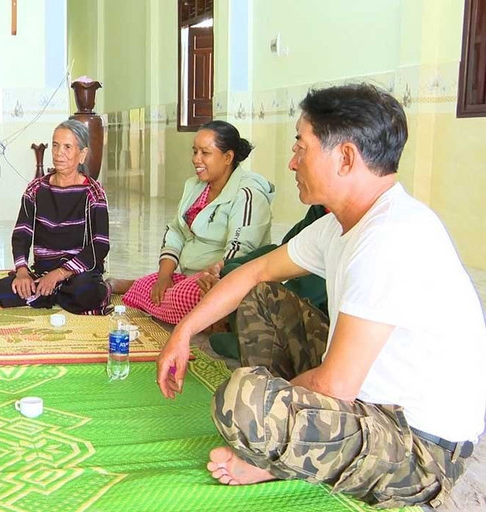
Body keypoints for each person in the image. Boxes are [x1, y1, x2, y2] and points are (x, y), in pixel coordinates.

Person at [156, 83, 486, 508]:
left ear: (345, 157)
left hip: (420, 449)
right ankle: (284, 436)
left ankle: (274, 453)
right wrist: (183, 332)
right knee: (264, 298)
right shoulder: (344, 222)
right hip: (369, 398)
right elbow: (257, 271)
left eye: (301, 146)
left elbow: (335, 384)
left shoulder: (391, 236)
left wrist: (273, 410)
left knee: (242, 401)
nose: (292, 161)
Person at [109, 120, 274, 324]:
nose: (196, 159)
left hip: (221, 280)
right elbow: (176, 231)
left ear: (228, 157)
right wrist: (164, 276)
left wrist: (211, 278)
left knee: (184, 298)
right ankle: (155, 291)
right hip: (189, 277)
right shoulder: (194, 187)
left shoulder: (248, 194)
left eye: (205, 153)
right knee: (155, 287)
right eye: (195, 151)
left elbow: (240, 251)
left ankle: (206, 314)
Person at [0, 120, 110, 315]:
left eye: (67, 147)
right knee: (0, 291)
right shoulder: (36, 189)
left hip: (77, 273)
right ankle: (51, 291)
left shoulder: (93, 192)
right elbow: (21, 234)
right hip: (42, 270)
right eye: (55, 145)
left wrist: (60, 274)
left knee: (86, 291)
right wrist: (22, 272)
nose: (58, 152)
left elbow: (100, 244)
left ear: (83, 155)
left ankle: (49, 291)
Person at [205, 204, 329, 359]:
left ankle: (247, 340)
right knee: (230, 271)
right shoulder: (321, 211)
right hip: (285, 308)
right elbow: (282, 249)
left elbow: (304, 291)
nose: (297, 178)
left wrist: (228, 297)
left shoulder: (348, 229)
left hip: (316, 332)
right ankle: (241, 330)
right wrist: (223, 267)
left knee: (244, 287)